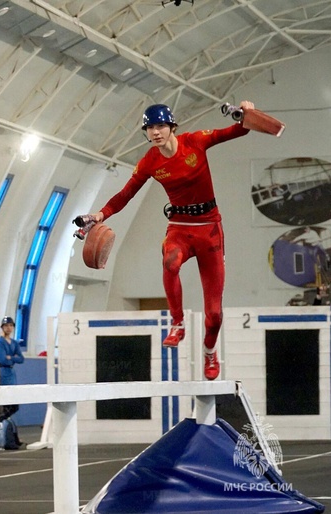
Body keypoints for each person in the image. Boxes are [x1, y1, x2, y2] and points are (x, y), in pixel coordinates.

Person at [81, 102, 257, 381]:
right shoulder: (149, 162)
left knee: (214, 314)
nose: (156, 132)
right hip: (179, 227)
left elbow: (239, 131)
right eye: (150, 127)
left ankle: (210, 352)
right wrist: (100, 215)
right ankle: (178, 323)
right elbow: (125, 195)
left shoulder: (195, 141)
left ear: (172, 127)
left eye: (161, 126)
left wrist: (246, 113)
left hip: (209, 229)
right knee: (170, 261)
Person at [0, 316, 24, 422]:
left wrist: (10, 357)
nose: (9, 328)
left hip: (11, 373)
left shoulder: (14, 343)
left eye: (11, 325)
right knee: (5, 402)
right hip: (3, 372)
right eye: (6, 325)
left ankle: (3, 422)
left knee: (13, 403)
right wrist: (14, 358)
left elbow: (21, 359)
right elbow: (2, 359)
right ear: (2, 327)